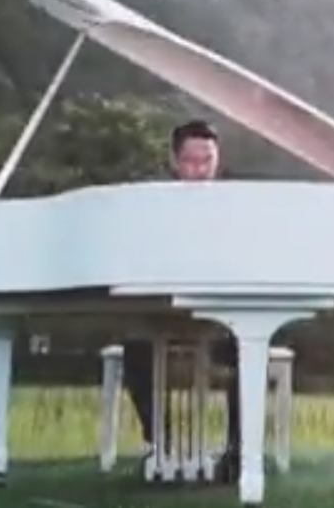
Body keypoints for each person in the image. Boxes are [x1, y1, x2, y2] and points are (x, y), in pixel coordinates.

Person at [121, 120, 243, 481]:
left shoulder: (234, 207)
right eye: (191, 162)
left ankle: (237, 450)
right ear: (174, 161)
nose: (200, 171)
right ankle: (160, 445)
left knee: (249, 347)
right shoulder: (153, 205)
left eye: (208, 162)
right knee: (135, 347)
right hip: (164, 311)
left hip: (219, 314)